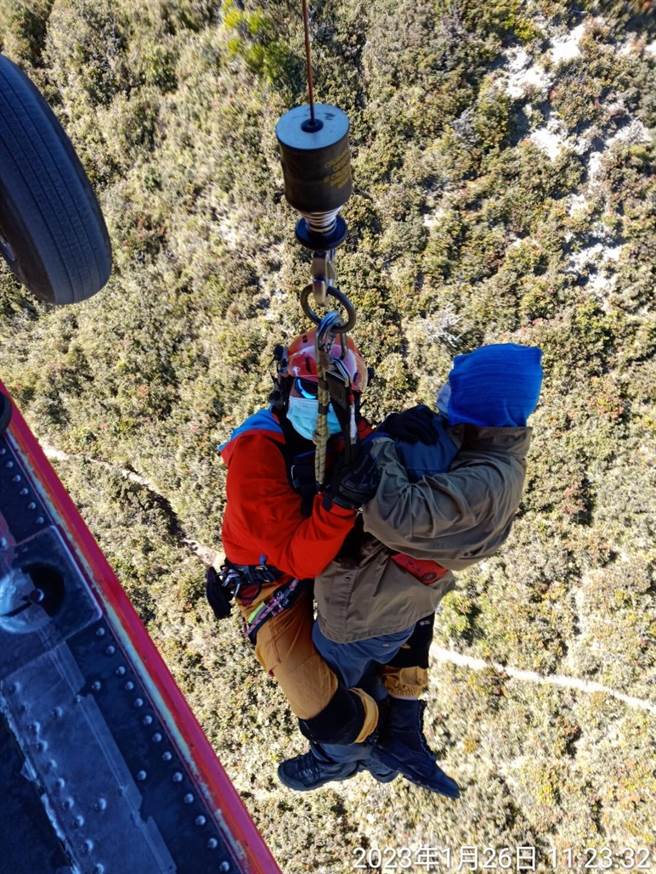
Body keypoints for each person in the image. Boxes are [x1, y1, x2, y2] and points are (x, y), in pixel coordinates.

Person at [280, 343, 543, 791]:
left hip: (365, 610)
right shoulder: (479, 446)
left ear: (482, 403)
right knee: (366, 675)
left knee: (326, 693)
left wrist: (381, 444)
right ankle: (386, 756)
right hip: (389, 600)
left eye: (457, 388)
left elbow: (396, 515)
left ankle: (337, 757)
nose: (445, 393)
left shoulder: (488, 479)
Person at [215, 328, 438, 788]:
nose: (322, 405)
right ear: (286, 387)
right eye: (311, 391)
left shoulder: (343, 423)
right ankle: (357, 752)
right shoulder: (257, 452)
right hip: (274, 577)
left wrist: (391, 436)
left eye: (335, 396)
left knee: (416, 591)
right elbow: (299, 560)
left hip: (326, 551)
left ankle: (394, 731)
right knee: (322, 710)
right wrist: (338, 503)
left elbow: (363, 445)